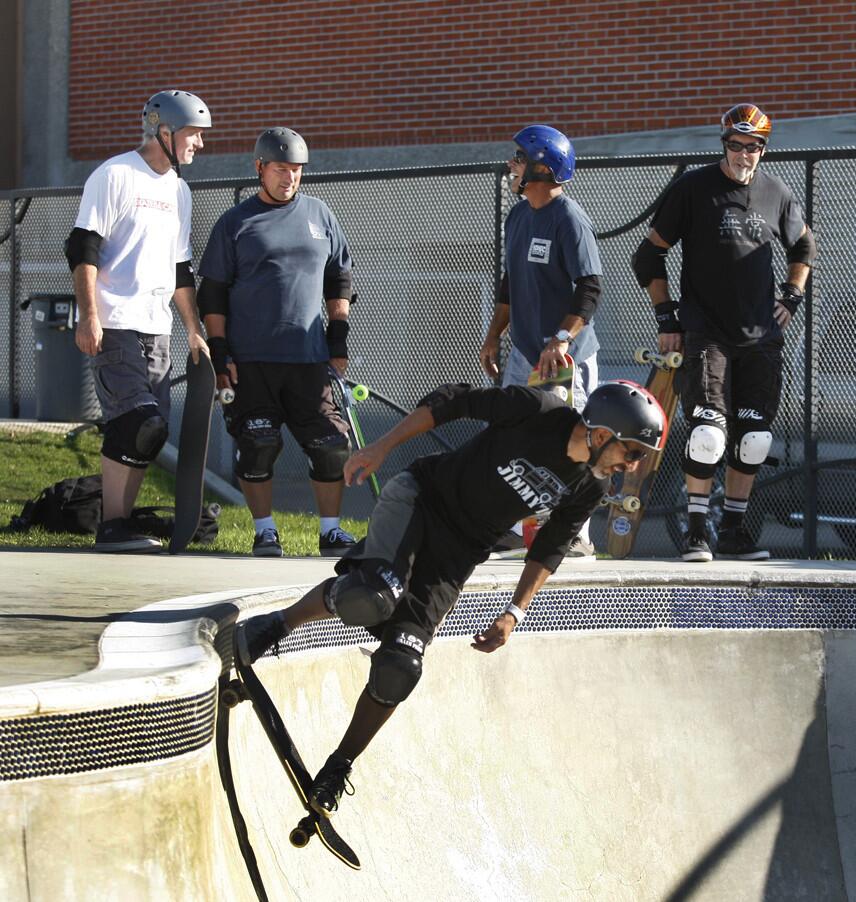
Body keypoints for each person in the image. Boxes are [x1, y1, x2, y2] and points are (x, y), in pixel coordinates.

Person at [234, 380, 667, 816]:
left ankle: (337, 766)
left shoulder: (587, 488)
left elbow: (549, 548)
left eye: (639, 458)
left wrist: (515, 613)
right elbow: (453, 401)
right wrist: (381, 447)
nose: (631, 466)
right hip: (422, 499)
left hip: (458, 554)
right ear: (599, 434)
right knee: (373, 594)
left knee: (402, 664)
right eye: (630, 452)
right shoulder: (538, 410)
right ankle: (278, 624)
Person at [631, 103, 816, 562]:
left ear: (763, 150)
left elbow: (805, 244)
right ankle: (697, 531)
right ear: (724, 144)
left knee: (753, 439)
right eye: (736, 145)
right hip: (706, 333)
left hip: (761, 337)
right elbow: (648, 256)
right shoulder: (693, 188)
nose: (743, 155)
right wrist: (667, 318)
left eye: (753, 147)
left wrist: (791, 295)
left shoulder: (778, 193)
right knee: (709, 433)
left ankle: (733, 530)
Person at [196, 128, 358, 558]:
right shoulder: (235, 222)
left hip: (309, 360)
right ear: (260, 169)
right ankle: (265, 531)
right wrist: (219, 353)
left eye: (297, 171)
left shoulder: (320, 215)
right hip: (250, 362)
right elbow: (211, 293)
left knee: (331, 446)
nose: (289, 178)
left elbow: (338, 278)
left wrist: (338, 339)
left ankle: (330, 532)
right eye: (281, 169)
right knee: (259, 445)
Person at [67, 89, 212, 553]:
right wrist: (90, 316)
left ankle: (119, 525)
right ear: (164, 133)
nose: (200, 145)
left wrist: (192, 328)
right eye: (194, 135)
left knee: (152, 432)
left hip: (157, 327)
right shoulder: (114, 175)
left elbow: (180, 269)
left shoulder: (179, 191)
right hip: (114, 319)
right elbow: (83, 247)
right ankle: (113, 525)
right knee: (136, 422)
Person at [479, 124, 603, 558]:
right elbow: (510, 284)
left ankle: (577, 532)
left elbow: (589, 288)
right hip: (525, 354)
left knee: (572, 441)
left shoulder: (569, 219)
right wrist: (494, 336)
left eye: (517, 159)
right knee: (513, 436)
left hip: (565, 357)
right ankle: (517, 528)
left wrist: (562, 339)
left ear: (542, 168)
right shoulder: (517, 216)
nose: (511, 166)